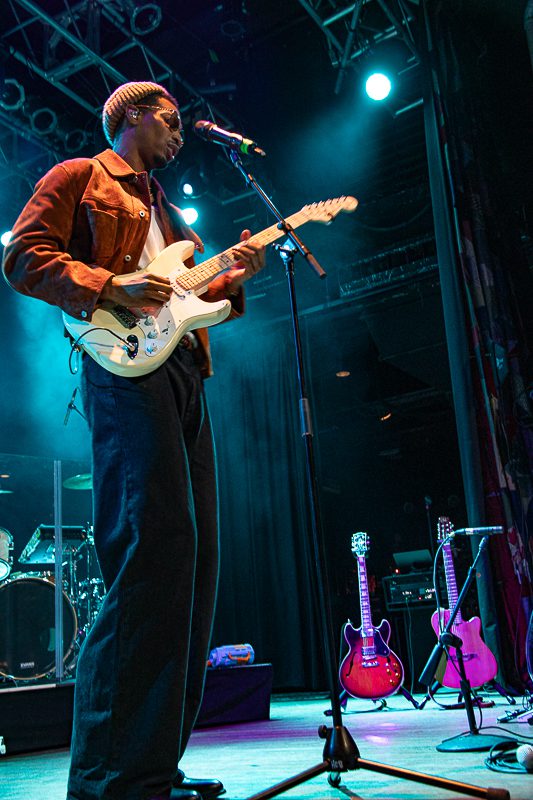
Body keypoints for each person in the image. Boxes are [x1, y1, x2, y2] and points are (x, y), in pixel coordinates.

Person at [2, 81, 266, 800]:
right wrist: (108, 288)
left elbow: (197, 302)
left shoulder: (172, 211)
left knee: (194, 560)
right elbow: (23, 254)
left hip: (183, 376)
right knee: (150, 552)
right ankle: (105, 779)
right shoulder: (81, 176)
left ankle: (153, 766)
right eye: (170, 119)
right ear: (134, 118)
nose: (179, 132)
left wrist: (234, 278)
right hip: (122, 374)